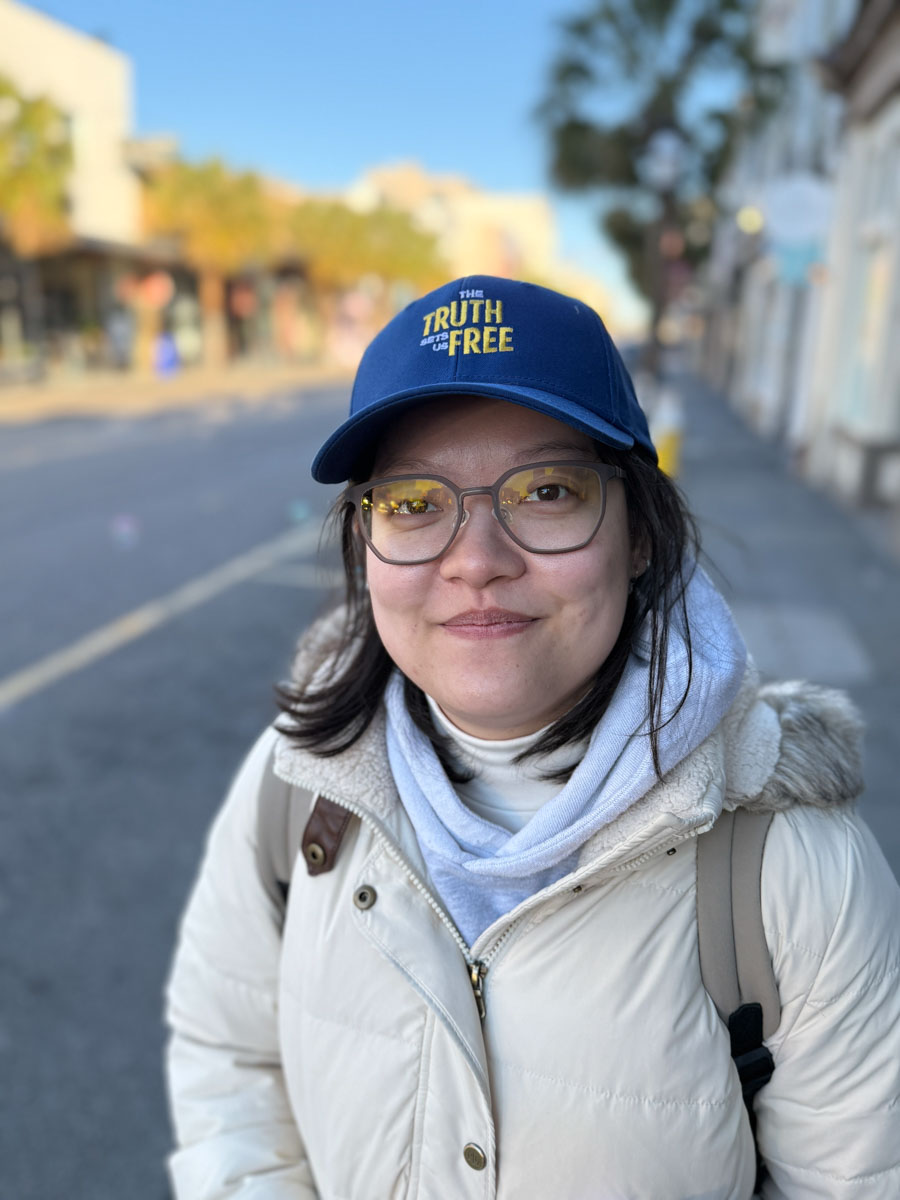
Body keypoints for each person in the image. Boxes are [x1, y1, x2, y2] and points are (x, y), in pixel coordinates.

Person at [165, 276, 900, 1199]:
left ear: (639, 534)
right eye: (413, 502)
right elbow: (229, 1059)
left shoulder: (792, 870)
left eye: (548, 491)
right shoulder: (298, 788)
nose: (476, 562)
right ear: (363, 542)